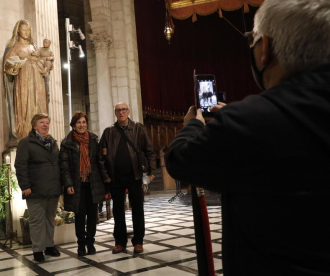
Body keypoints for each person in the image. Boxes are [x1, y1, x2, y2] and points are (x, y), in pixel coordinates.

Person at [165, 0, 330, 275]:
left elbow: (180, 160)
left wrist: (193, 125)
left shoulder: (247, 121)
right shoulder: (250, 119)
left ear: (264, 48)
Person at [99, 102, 156, 254]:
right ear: (115, 113)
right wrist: (105, 177)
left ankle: (138, 241)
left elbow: (149, 151)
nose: (121, 112)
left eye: (124, 109)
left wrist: (151, 171)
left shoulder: (138, 128)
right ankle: (120, 242)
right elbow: (101, 157)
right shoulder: (109, 132)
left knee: (137, 209)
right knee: (118, 211)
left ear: (128, 111)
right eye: (118, 110)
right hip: (115, 177)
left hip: (135, 175)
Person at [14, 113, 62, 262]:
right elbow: (20, 166)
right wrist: (25, 186)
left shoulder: (53, 142)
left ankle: (49, 246)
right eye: (42, 122)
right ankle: (37, 249)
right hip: (35, 189)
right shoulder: (26, 142)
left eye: (47, 122)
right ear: (34, 125)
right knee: (36, 221)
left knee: (49, 218)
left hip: (53, 188)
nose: (45, 125)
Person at [59, 111, 106, 256]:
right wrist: (68, 184)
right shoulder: (67, 143)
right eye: (78, 122)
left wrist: (106, 180)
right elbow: (64, 166)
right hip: (77, 184)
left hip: (93, 183)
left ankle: (90, 243)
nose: (81, 125)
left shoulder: (93, 139)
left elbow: (99, 162)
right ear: (73, 125)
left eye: (84, 122)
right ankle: (81, 245)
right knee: (79, 217)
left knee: (92, 216)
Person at [3, 20, 48, 144]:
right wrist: (15, 64)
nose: (26, 33)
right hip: (23, 82)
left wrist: (45, 67)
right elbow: (8, 66)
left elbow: (41, 62)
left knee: (38, 106)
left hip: (37, 81)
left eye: (28, 30)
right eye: (24, 30)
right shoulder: (15, 47)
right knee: (25, 107)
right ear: (18, 30)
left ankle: (40, 134)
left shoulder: (33, 47)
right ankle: (24, 134)